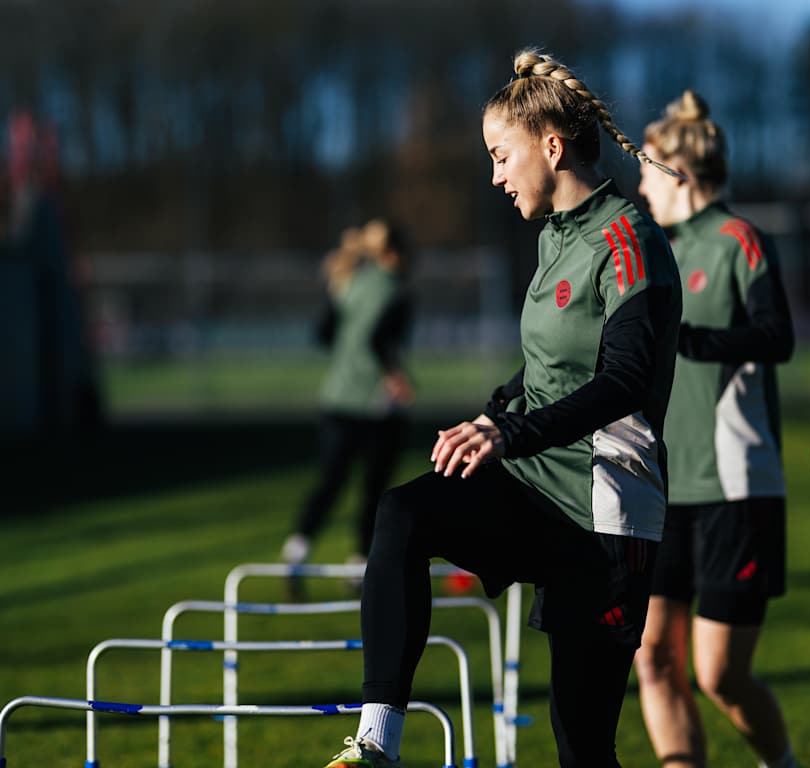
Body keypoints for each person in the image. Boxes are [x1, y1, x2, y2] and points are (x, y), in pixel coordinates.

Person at [321, 47, 683, 768]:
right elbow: (551, 360)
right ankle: (375, 746)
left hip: (604, 510)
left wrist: (510, 430)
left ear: (552, 147)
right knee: (403, 514)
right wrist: (495, 409)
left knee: (582, 749)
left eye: (500, 155)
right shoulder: (554, 237)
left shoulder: (629, 241)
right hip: (532, 484)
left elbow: (623, 381)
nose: (495, 176)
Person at [630, 90, 798, 768]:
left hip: (736, 487)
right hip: (663, 489)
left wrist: (688, 340)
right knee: (652, 662)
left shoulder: (739, 240)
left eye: (647, 171)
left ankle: (782, 762)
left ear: (679, 172)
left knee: (719, 674)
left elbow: (777, 336)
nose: (640, 185)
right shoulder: (652, 253)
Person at [281, 218, 415, 592]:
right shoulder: (397, 291)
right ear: (394, 254)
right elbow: (378, 340)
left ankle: (297, 551)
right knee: (374, 491)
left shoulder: (349, 281)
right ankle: (357, 566)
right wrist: (395, 374)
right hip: (377, 405)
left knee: (330, 481)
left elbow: (323, 333)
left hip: (336, 399)